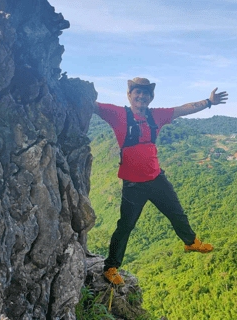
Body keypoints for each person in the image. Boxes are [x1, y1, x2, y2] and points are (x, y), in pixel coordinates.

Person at [93, 77, 228, 284]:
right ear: (129, 95)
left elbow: (183, 109)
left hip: (156, 178)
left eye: (146, 93)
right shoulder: (117, 114)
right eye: (137, 92)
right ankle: (110, 267)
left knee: (177, 213)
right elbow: (92, 106)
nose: (141, 96)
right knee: (126, 226)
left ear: (150, 98)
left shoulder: (156, 115)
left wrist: (208, 102)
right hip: (132, 185)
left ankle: (191, 242)